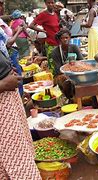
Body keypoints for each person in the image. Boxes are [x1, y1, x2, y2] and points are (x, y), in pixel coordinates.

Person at [0, 32, 41, 180]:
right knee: (16, 162)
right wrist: (2, 84)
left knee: (19, 156)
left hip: (9, 105)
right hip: (3, 112)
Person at [52, 29, 83, 101]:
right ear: (59, 40)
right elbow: (58, 69)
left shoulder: (74, 47)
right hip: (62, 74)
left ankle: (81, 96)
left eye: (66, 38)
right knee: (66, 81)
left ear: (70, 38)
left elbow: (81, 60)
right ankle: (70, 98)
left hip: (75, 70)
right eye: (62, 38)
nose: (65, 40)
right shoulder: (55, 52)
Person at [29, 0, 60, 74]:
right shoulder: (43, 15)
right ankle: (54, 80)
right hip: (50, 43)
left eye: (52, 2)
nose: (50, 4)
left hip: (58, 42)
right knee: (52, 64)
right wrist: (42, 31)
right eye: (48, 3)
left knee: (59, 62)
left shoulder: (55, 14)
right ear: (45, 4)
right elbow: (31, 25)